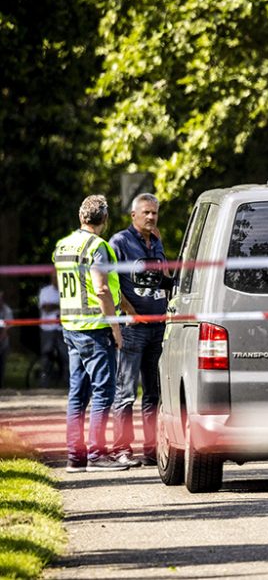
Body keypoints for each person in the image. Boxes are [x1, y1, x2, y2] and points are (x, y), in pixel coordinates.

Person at [53, 194, 129, 472]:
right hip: (96, 328)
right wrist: (116, 327)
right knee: (103, 392)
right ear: (104, 220)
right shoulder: (98, 246)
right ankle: (97, 454)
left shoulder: (63, 245)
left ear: (81, 217)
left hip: (71, 327)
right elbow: (101, 289)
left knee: (77, 394)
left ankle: (76, 457)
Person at [109, 193, 172, 468]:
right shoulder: (120, 242)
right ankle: (121, 449)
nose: (150, 217)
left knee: (154, 393)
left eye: (154, 213)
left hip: (158, 327)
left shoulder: (157, 241)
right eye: (145, 212)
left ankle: (150, 449)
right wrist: (129, 312)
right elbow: (110, 283)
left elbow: (166, 277)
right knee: (125, 392)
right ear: (133, 215)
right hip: (133, 328)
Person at [39, 273, 69, 383]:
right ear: (51, 278)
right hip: (48, 328)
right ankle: (45, 381)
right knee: (46, 355)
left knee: (66, 356)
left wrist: (54, 305)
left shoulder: (67, 289)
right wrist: (60, 306)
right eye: (55, 277)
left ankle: (68, 382)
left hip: (63, 328)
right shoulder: (45, 291)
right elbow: (45, 308)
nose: (57, 279)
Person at [0, 291, 12, 388]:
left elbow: (7, 329)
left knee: (2, 364)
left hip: (3, 342)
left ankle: (1, 385)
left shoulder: (7, 310)